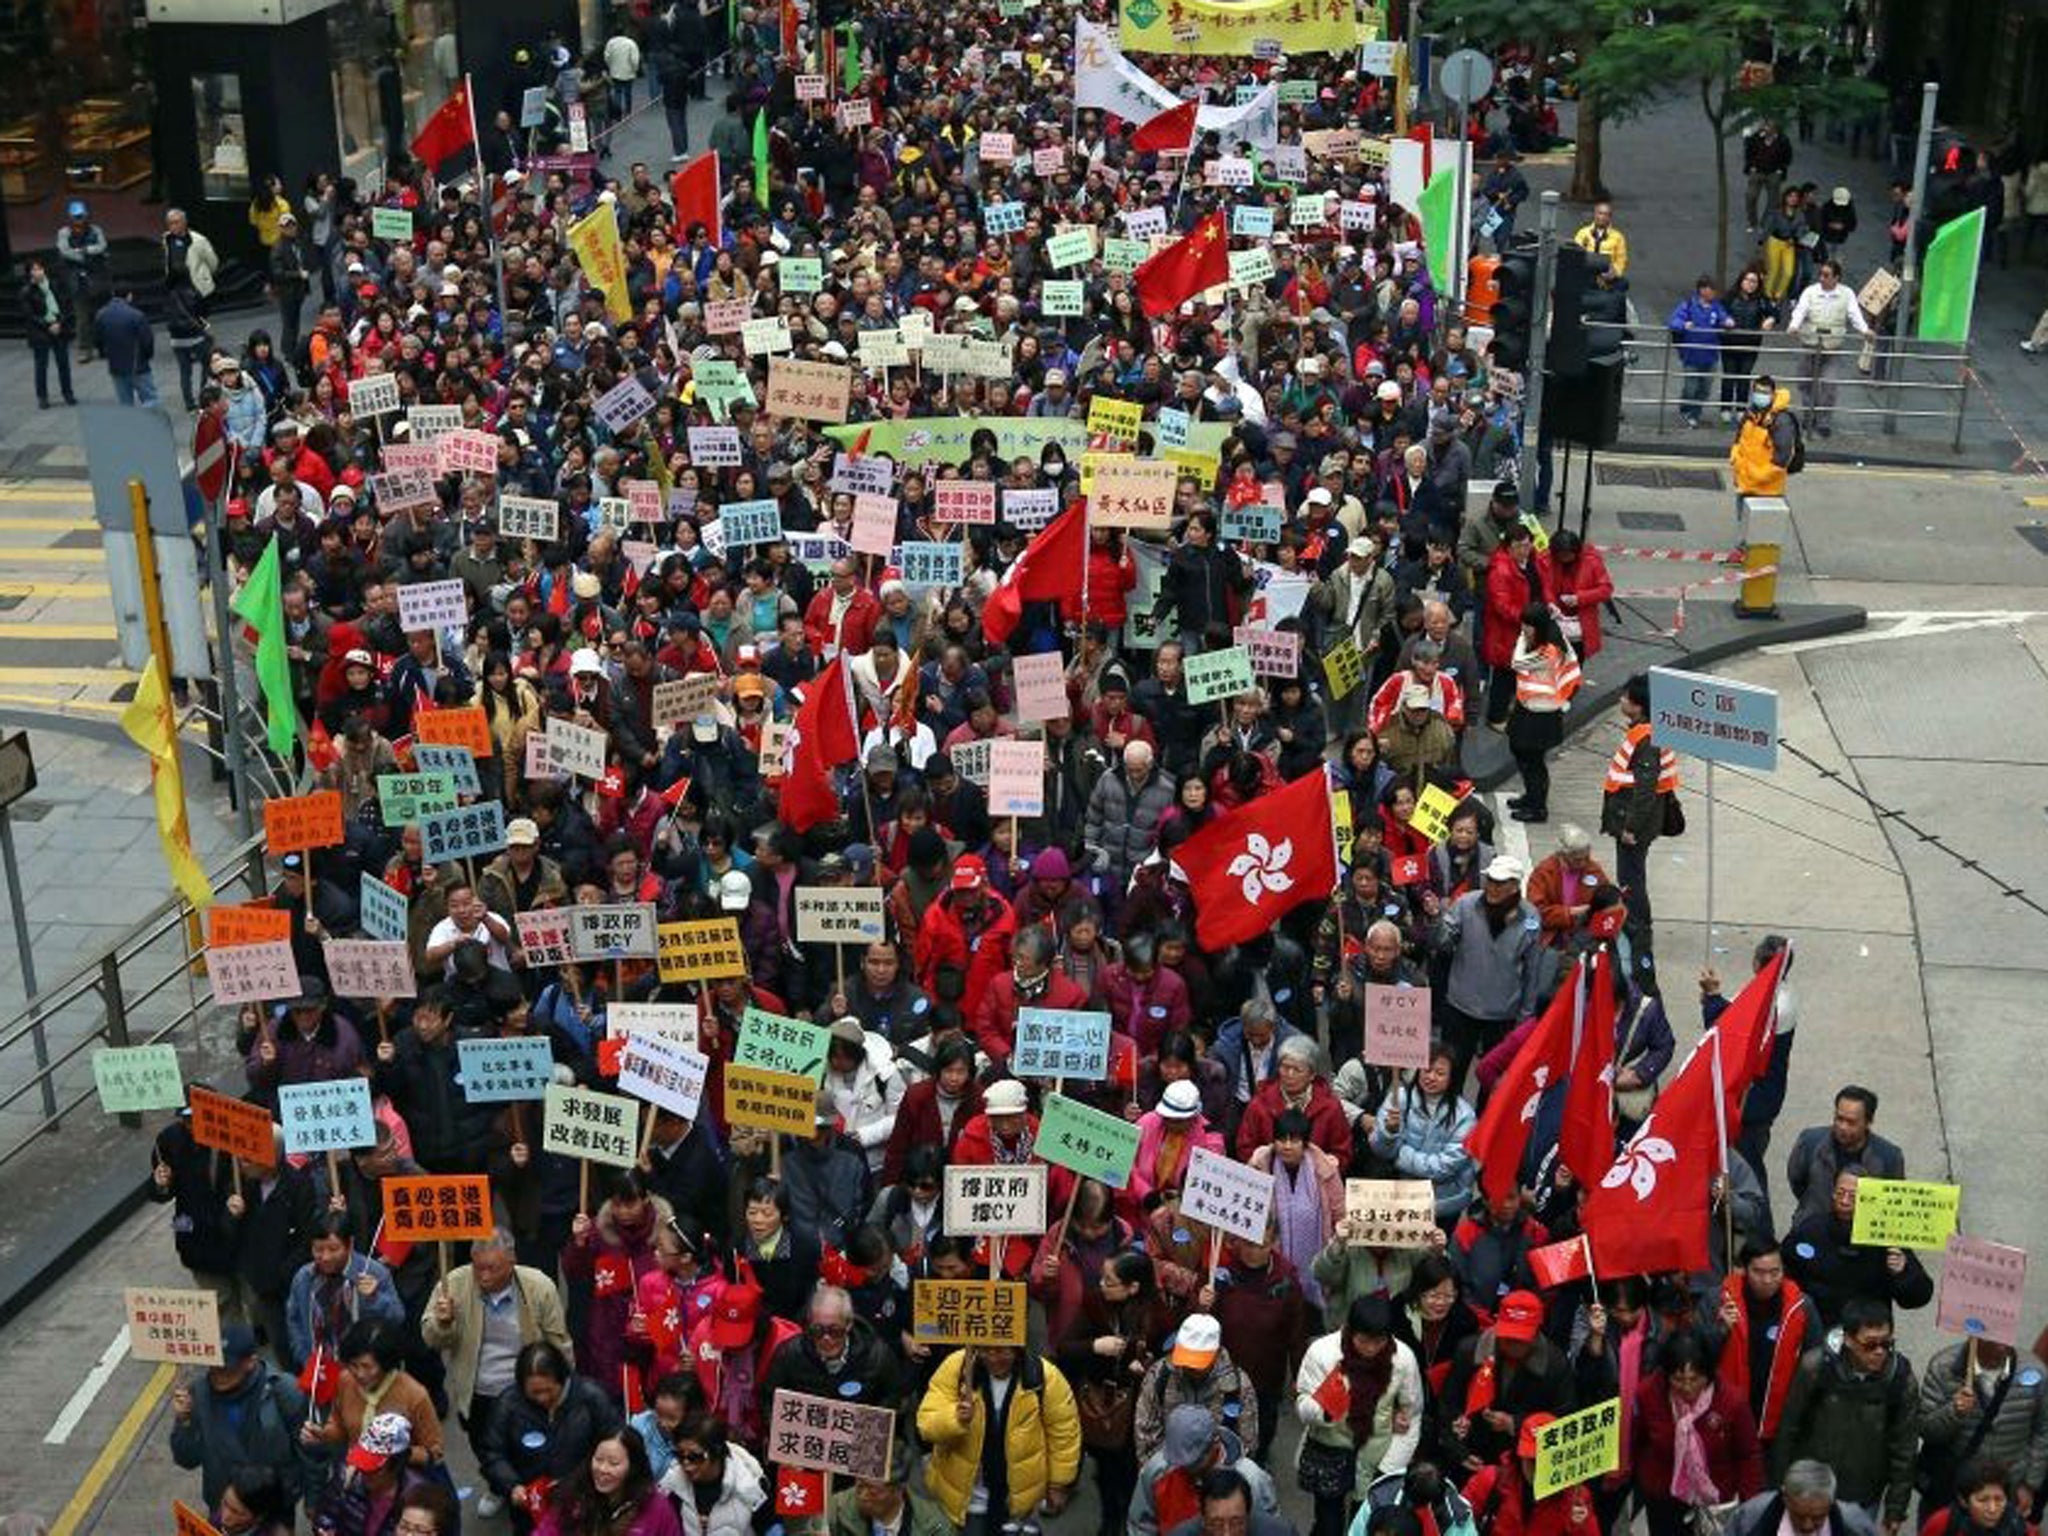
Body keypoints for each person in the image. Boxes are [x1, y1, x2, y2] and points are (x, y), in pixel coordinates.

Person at [421, 1230, 574, 1518]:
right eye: (478, 1268)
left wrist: (566, 1388)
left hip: (525, 1388)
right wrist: (443, 1323)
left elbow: (559, 1342)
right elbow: (431, 1338)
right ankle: (499, 1486)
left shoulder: (538, 1286)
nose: (484, 1276)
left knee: (532, 1445)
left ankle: (534, 1488)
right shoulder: (453, 1283)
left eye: (493, 1268)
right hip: (478, 1389)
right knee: (485, 1446)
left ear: (512, 1260)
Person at [1770, 1297, 1920, 1530]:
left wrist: (1895, 1510)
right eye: (1870, 1345)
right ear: (1848, 1339)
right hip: (1811, 1490)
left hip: (1864, 1495)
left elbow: (1905, 1449)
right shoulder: (1816, 1368)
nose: (1880, 1352)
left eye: (1887, 1344)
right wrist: (1781, 1486)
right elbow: (1788, 1430)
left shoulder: (1899, 1380)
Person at [915, 1342, 1083, 1533]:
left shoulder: (1044, 1376)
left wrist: (1059, 1483)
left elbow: (1064, 1433)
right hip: (969, 1497)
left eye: (1003, 1351)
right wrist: (955, 1418)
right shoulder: (957, 1367)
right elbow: (926, 1425)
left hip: (1021, 1497)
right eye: (986, 1350)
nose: (994, 1358)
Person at [1296, 1295, 1426, 1536]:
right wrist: (1323, 1409)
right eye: (1363, 1340)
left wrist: (1390, 1467)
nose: (1370, 1349)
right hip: (1329, 1450)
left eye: (1378, 1342)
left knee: (1365, 1524)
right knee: (1329, 1525)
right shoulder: (1323, 1352)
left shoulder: (1403, 1359)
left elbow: (1413, 1412)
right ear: (1349, 1330)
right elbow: (1303, 1402)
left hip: (1375, 1455)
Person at [169, 1322, 313, 1519]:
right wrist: (184, 1421)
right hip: (223, 1507)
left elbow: (310, 1453)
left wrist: (314, 1500)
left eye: (227, 1368)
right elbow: (186, 1459)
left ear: (250, 1362)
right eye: (215, 1367)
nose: (218, 1375)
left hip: (272, 1507)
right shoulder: (198, 1393)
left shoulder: (283, 1391)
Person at [1630, 1331, 1766, 1536]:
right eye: (1678, 1379)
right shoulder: (1648, 1394)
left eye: (1695, 1379)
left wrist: (1748, 1504)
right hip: (1665, 1497)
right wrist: (1648, 1480)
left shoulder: (1732, 1402)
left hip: (1716, 1502)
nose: (1687, 1387)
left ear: (1709, 1374)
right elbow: (1638, 1441)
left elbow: (1748, 1455)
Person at [481, 1342, 623, 1530]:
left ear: (562, 1378)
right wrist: (512, 1486)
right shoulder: (508, 1404)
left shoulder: (591, 1398)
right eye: (534, 1392)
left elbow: (616, 1442)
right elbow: (492, 1452)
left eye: (548, 1390)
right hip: (530, 1507)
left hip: (583, 1500)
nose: (542, 1398)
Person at [1913, 1338, 2048, 1512]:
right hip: (1952, 1489)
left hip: (2006, 1492)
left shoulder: (2035, 1370)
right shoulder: (1943, 1367)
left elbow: (2043, 1430)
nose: (2002, 1340)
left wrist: (2029, 1484)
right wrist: (1954, 1412)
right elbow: (1927, 1430)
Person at [1600, 675, 1680, 958]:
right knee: (1633, 875)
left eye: (1625, 697)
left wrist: (1630, 827)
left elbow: (1645, 790)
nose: (1621, 700)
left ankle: (1638, 930)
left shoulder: (1647, 740)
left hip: (1634, 823)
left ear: (1638, 705)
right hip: (1633, 817)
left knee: (1631, 878)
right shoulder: (1647, 731)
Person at [1713, 1241, 1820, 1451]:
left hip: (1780, 1421)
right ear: (1743, 1270)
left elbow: (1814, 1359)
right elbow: (1699, 1355)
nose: (1767, 1280)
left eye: (1775, 1272)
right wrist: (1719, 1330)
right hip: (1726, 1417)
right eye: (1759, 1272)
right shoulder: (1718, 1301)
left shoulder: (1802, 1306)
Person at [1131, 1403, 1287, 1536]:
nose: (1187, 1468)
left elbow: (1268, 1529)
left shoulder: (1251, 1478)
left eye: (1195, 1461)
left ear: (1215, 1443)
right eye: (1181, 1462)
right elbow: (1141, 1526)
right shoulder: (1158, 1469)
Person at [1365, 1041, 1478, 1224]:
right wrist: (1389, 1132)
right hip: (1401, 1196)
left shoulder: (1464, 1115)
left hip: (1442, 1201)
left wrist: (1401, 1155)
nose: (1431, 1077)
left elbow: (1444, 1167)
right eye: (1426, 1070)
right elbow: (1379, 1150)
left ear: (1452, 1078)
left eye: (1440, 1073)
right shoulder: (1399, 1098)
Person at [1505, 602, 1581, 825]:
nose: (1525, 630)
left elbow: (1517, 662)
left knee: (1534, 761)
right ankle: (1530, 796)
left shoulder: (1550, 650)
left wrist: (1521, 638)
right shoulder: (1543, 639)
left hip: (1542, 714)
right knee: (1520, 752)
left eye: (1528, 626)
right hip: (1527, 708)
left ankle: (1537, 807)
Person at [1785, 1087, 1905, 1226]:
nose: (1842, 1127)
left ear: (1868, 1122)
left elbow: (1893, 1203)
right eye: (1839, 1118)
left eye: (1851, 1122)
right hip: (1812, 1230)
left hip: (1862, 1236)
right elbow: (1797, 1181)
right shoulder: (1810, 1142)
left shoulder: (1889, 1157)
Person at [537, 1426, 682, 1535]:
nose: (602, 1469)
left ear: (633, 1467)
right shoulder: (573, 1497)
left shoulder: (656, 1506)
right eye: (598, 1459)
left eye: (614, 1463)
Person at [1786, 259, 1871, 438]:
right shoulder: (1810, 292)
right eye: (1821, 274)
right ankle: (1809, 415)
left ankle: (1824, 420)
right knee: (1806, 383)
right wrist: (1794, 325)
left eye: (1826, 275)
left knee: (1829, 384)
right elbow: (1800, 310)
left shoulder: (1846, 294)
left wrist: (1864, 330)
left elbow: (1854, 313)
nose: (1822, 278)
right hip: (1809, 343)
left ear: (1836, 278)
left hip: (1832, 347)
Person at [1725, 1461, 1881, 1536]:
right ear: (1785, 1497)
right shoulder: (1751, 1516)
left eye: (1818, 1518)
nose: (1807, 1526)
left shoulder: (1855, 1525)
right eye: (1799, 1516)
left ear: (1831, 1502)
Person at [826, 1457, 955, 1536]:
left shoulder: (934, 1526)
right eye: (859, 1486)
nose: (862, 1496)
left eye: (873, 1492)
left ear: (898, 1490)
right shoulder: (836, 1509)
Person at [1669, 276, 1735, 427]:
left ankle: (1695, 413)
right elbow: (1674, 321)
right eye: (1711, 289)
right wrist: (1684, 324)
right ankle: (1686, 411)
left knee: (1705, 388)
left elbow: (1724, 317)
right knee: (1691, 387)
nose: (1714, 293)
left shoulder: (1716, 307)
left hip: (1710, 356)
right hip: (1691, 355)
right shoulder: (1688, 305)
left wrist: (1728, 321)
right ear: (1702, 290)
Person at [1919, 1459, 2038, 1536]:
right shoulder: (1942, 1524)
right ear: (1963, 1500)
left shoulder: (2024, 1531)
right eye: (1982, 1500)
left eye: (1999, 1499)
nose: (1992, 1509)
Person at [19, 258, 77, 409]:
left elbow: (66, 305)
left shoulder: (55, 285)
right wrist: (48, 326)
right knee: (41, 366)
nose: (38, 272)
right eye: (34, 269)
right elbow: (30, 315)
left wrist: (59, 323)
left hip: (59, 327)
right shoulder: (27, 291)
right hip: (40, 332)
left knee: (63, 363)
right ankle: (42, 397)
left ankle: (68, 393)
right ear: (29, 273)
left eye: (40, 268)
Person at [93, 289, 158, 407]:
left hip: (116, 366)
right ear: (129, 296)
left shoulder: (101, 315)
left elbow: (97, 340)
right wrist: (148, 356)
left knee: (125, 403)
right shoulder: (137, 315)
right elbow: (147, 341)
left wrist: (104, 354)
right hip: (138, 365)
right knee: (150, 398)